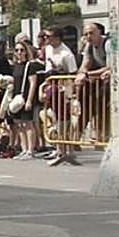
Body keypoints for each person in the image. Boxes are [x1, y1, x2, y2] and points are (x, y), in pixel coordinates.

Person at [43, 27, 79, 167]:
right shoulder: (48, 50)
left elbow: (73, 72)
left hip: (65, 90)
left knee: (65, 121)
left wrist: (72, 93)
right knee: (55, 119)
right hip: (53, 88)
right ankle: (59, 150)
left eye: (49, 37)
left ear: (57, 38)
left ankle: (67, 151)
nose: (47, 39)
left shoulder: (66, 54)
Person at [10, 41, 41, 159]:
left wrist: (29, 100)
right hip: (17, 97)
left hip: (26, 96)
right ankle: (23, 148)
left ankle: (30, 150)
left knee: (28, 123)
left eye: (21, 50)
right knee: (19, 124)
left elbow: (33, 83)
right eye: (17, 50)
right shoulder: (16, 65)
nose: (19, 53)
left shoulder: (30, 65)